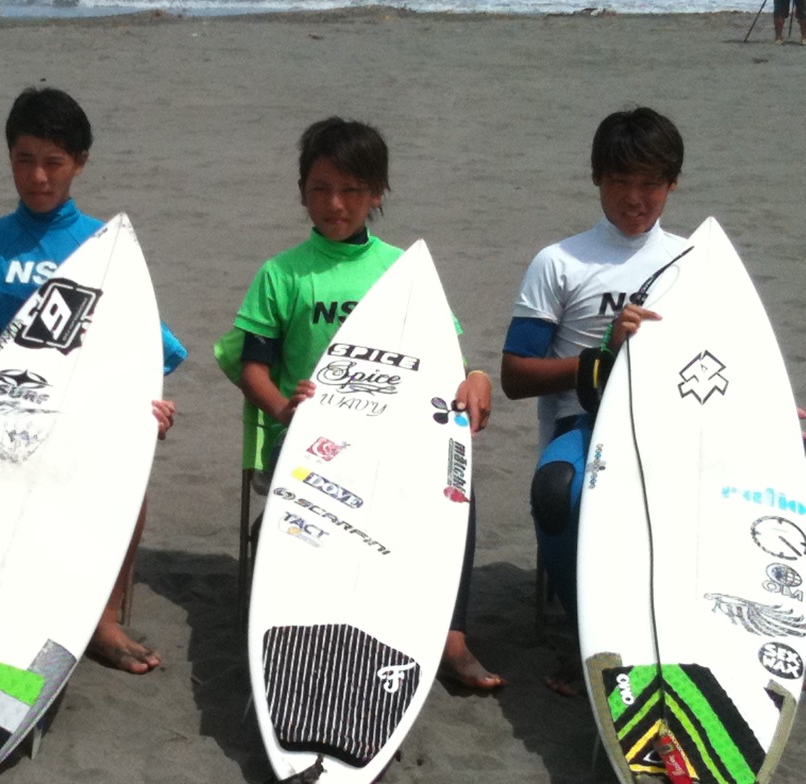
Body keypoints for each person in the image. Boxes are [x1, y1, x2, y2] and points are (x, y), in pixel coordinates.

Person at [214, 116, 502, 691]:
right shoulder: (283, 274)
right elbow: (253, 369)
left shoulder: (402, 270)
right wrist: (283, 410)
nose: (335, 204)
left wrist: (475, 376)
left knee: (457, 490)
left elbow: (446, 360)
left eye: (351, 190)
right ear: (302, 191)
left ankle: (451, 636)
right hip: (308, 439)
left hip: (393, 438)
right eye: (320, 189)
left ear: (377, 194)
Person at [0, 86, 187, 675]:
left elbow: (145, 350)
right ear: (9, 158)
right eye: (25, 160)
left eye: (54, 162)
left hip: (78, 418)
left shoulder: (106, 248)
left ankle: (102, 619)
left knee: (131, 486)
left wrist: (148, 407)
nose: (39, 177)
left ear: (80, 162)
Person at [499, 106, 687, 694]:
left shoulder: (692, 261)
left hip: (674, 422)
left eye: (650, 182)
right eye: (620, 181)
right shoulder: (560, 262)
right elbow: (514, 375)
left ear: (672, 183)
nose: (635, 198)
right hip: (585, 420)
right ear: (597, 180)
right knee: (558, 491)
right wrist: (602, 355)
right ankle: (590, 640)